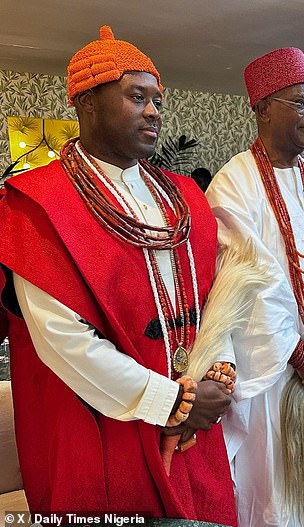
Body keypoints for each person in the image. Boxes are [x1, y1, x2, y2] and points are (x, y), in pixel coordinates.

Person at [0, 26, 237, 524]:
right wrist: (167, 401)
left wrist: (217, 374)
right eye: (137, 97)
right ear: (86, 102)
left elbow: (216, 297)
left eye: (157, 100)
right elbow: (61, 339)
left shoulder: (185, 196)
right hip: (99, 423)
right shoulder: (37, 203)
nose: (154, 111)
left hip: (194, 417)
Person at [206, 47, 304, 526]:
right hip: (271, 376)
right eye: (301, 103)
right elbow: (245, 283)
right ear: (262, 109)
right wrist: (297, 354)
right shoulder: (232, 185)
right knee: (275, 493)